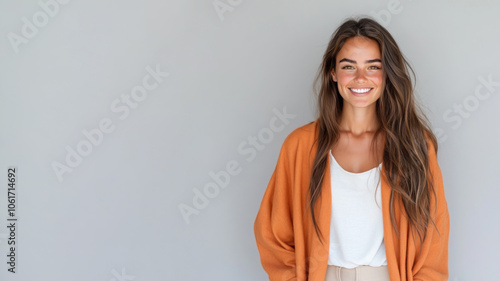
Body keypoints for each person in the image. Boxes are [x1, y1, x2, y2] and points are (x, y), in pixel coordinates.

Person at [253, 17, 450, 281]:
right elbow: (272, 234)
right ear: (333, 73)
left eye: (373, 67)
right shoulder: (299, 146)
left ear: (387, 73)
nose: (360, 78)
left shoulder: (415, 146)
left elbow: (434, 242)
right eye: (349, 66)